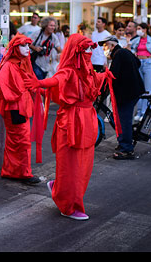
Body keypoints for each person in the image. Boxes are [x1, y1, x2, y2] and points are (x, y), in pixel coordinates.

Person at [25, 33, 117, 221]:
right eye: (85, 49)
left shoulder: (88, 71)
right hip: (71, 122)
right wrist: (40, 82)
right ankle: (69, 205)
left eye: (90, 49)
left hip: (88, 121)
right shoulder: (68, 70)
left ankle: (59, 188)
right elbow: (57, 80)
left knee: (84, 166)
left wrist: (104, 75)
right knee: (72, 166)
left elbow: (92, 83)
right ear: (76, 50)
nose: (89, 53)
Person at [0, 33, 42, 185]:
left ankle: (11, 171)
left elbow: (31, 81)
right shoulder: (10, 65)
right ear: (15, 47)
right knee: (21, 140)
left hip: (20, 106)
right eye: (22, 45)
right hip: (15, 108)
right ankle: (23, 173)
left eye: (27, 46)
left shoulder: (23, 62)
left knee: (15, 141)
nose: (26, 49)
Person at [99, 35, 145, 159]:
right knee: (122, 118)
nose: (104, 49)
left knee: (124, 120)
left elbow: (112, 76)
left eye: (105, 45)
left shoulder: (119, 54)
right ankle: (123, 142)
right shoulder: (124, 52)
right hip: (133, 91)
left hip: (127, 93)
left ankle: (127, 149)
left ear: (112, 45)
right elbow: (138, 63)